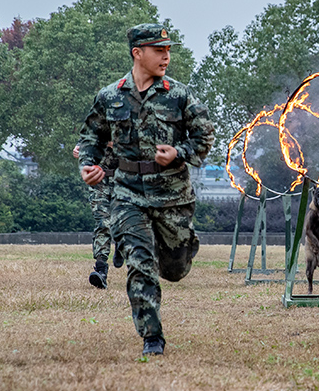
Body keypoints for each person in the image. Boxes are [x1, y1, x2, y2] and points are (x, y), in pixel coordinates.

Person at [77, 23, 215, 356]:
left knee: (174, 269)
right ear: (138, 53)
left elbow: (204, 137)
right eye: (159, 50)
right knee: (141, 265)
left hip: (173, 197)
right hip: (127, 194)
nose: (166, 56)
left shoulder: (179, 95)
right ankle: (152, 336)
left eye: (168, 50)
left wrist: (178, 153)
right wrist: (89, 165)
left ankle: (180, 248)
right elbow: (90, 137)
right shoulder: (110, 96)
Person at [73, 142, 123, 289]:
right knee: (103, 223)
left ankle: (121, 244)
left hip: (125, 182)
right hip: (99, 182)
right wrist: (78, 148)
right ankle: (101, 270)